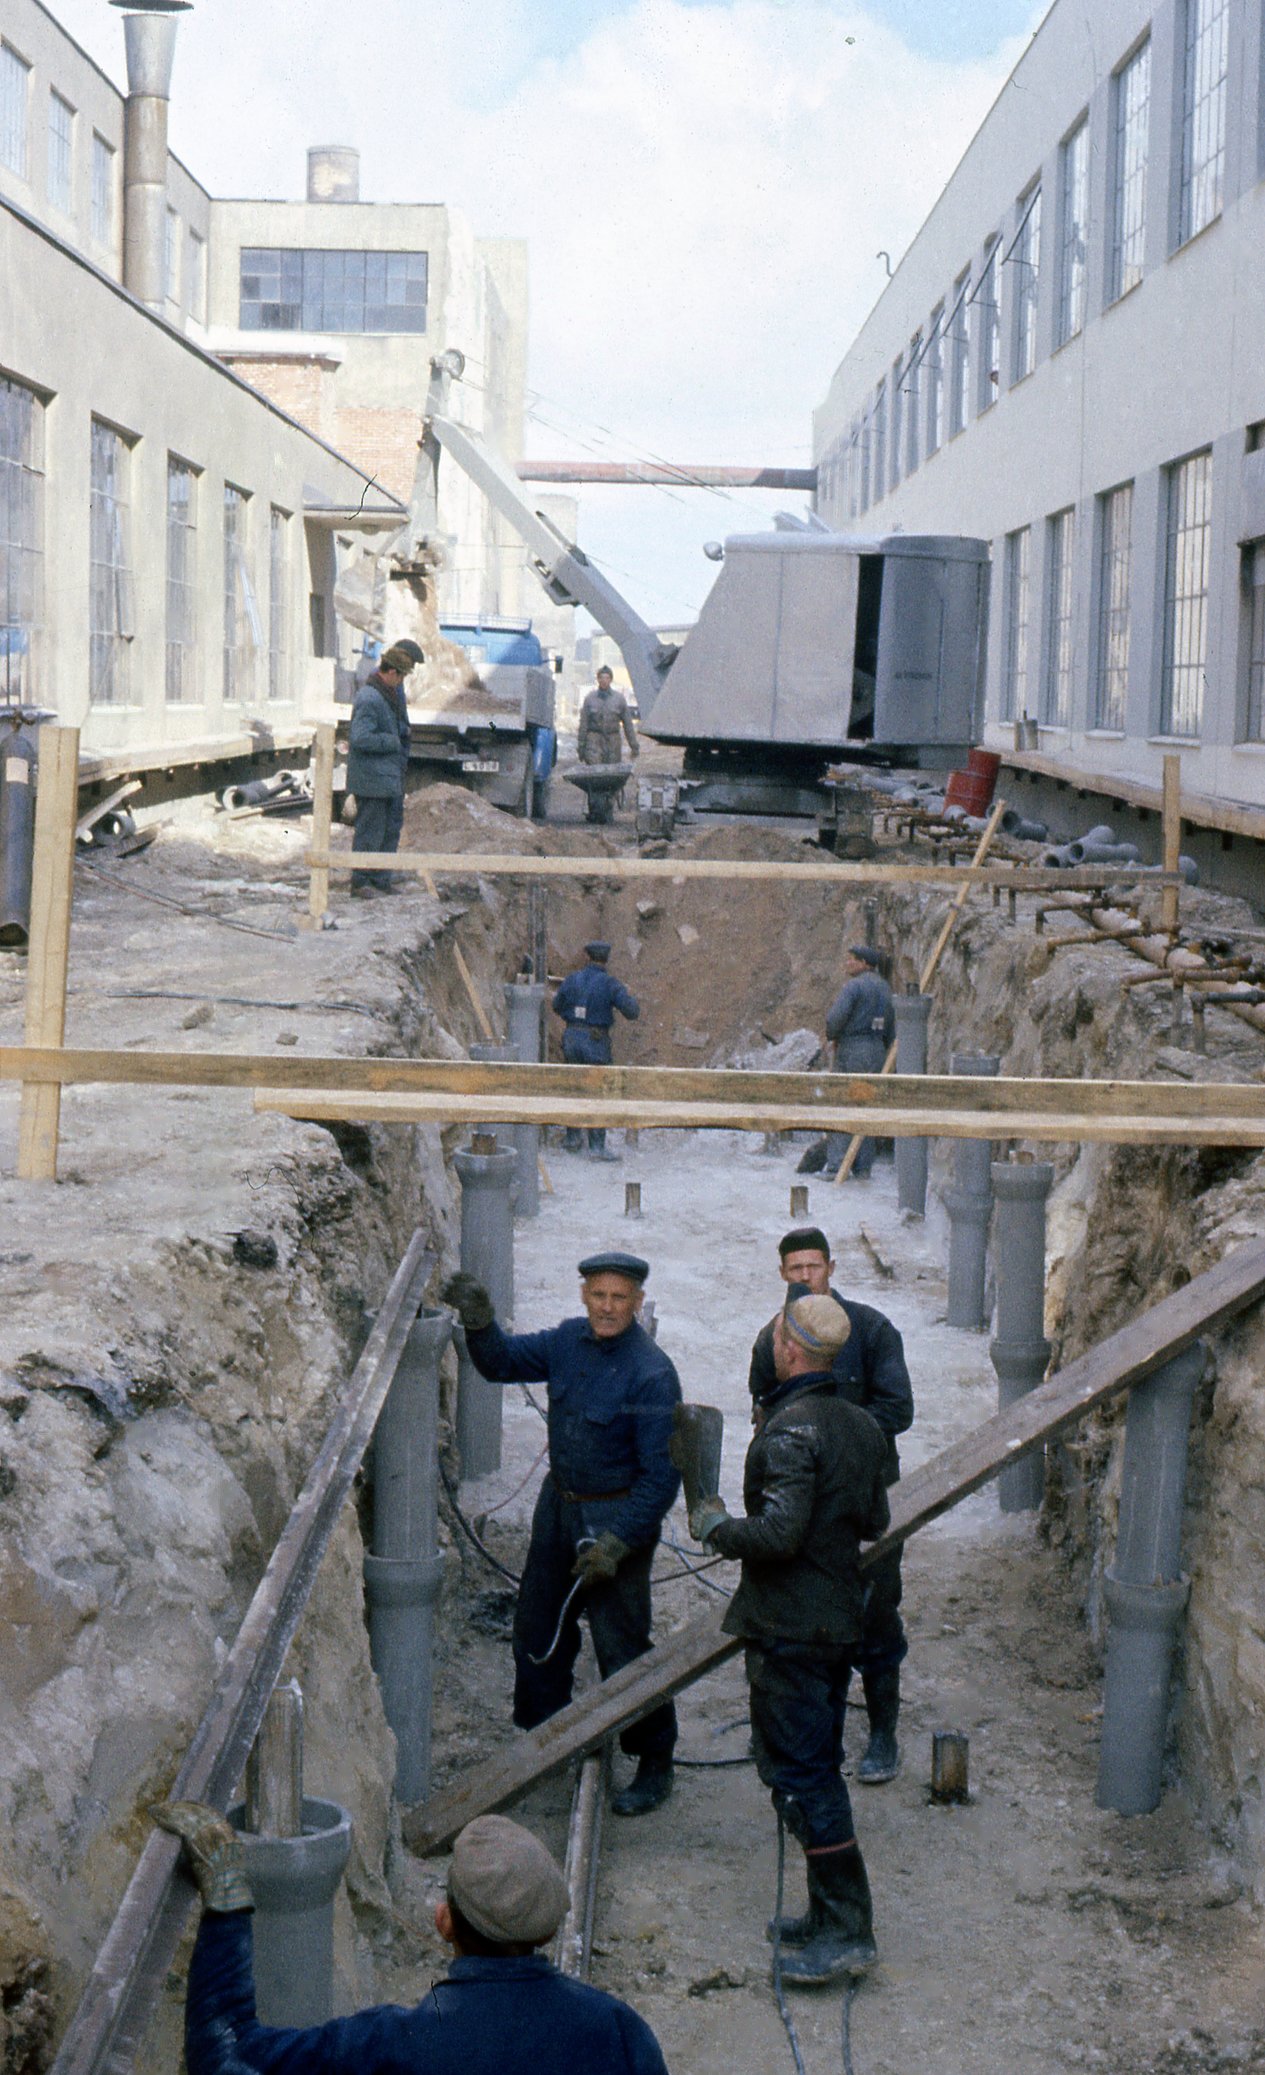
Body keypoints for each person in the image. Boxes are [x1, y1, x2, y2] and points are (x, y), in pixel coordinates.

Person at [156, 1803, 670, 2075]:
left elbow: (226, 2056)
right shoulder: (621, 2033)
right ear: (552, 1929)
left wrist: (226, 1895)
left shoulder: (397, 2044)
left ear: (444, 1921)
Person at [691, 1292, 890, 1987]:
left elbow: (777, 1534)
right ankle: (825, 1913)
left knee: (802, 1775)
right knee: (812, 1767)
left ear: (788, 1348)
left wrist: (714, 1524)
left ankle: (847, 1931)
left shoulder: (787, 1431)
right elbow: (873, 1516)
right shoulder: (863, 1426)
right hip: (837, 1621)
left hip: (789, 1629)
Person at [442, 1251, 681, 1818]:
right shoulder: (567, 1342)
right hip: (560, 1509)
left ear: (637, 1304)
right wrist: (480, 1319)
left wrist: (617, 1544)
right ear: (583, 1296)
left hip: (617, 1518)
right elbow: (499, 1362)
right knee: (537, 1623)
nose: (607, 1307)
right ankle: (547, 1737)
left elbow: (661, 1478)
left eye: (619, 1298)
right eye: (598, 1295)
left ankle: (653, 1760)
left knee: (621, 1643)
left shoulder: (652, 1373)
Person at [748, 1227, 913, 1785]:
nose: (803, 1277)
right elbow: (763, 1411)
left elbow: (899, 1408)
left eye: (812, 1267)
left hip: (866, 1503)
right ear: (782, 1273)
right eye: (793, 1268)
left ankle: (884, 1733)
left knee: (874, 1617)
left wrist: (838, 1440)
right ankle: (822, 1740)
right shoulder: (772, 1340)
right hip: (799, 1507)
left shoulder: (870, 1330)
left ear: (831, 1268)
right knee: (811, 1623)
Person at [552, 940, 640, 1161]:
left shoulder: (572, 979)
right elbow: (632, 1012)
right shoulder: (610, 984)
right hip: (595, 1041)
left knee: (575, 1087)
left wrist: (571, 1020)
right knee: (599, 1092)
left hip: (572, 1037)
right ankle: (596, 1147)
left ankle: (572, 1139)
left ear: (587, 957)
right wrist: (629, 995)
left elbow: (556, 1006)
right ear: (606, 959)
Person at [346, 644, 419, 899]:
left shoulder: (386, 694)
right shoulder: (370, 697)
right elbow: (360, 738)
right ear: (392, 672)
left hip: (387, 779)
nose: (401, 682)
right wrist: (391, 741)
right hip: (372, 781)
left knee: (390, 829)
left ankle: (380, 880)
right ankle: (362, 881)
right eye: (401, 676)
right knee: (370, 831)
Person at [819, 945, 895, 1177]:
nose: (847, 963)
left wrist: (832, 1035)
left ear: (864, 963)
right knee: (866, 1108)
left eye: (851, 960)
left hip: (852, 1049)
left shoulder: (854, 986)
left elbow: (836, 1018)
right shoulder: (885, 988)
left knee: (842, 1104)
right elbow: (892, 1027)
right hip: (877, 1051)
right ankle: (863, 1168)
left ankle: (836, 1167)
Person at [576, 665, 638, 821]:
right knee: (595, 775)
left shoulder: (619, 699)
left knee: (611, 775)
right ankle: (594, 809)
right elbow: (583, 724)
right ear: (597, 679)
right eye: (601, 677)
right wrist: (581, 747)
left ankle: (608, 808)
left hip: (612, 741)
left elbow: (628, 725)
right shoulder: (590, 699)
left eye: (607, 678)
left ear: (611, 679)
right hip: (594, 740)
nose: (604, 680)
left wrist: (634, 745)